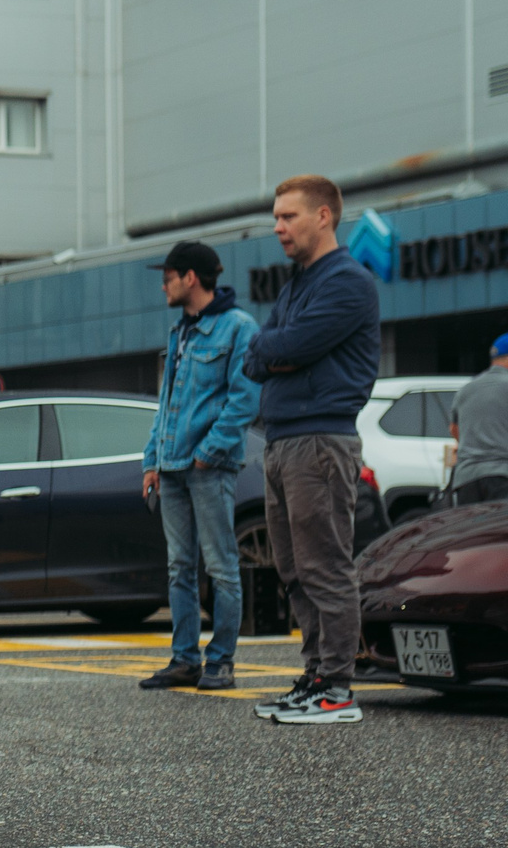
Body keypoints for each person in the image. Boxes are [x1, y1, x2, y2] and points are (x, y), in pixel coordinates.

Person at [244, 174, 381, 724]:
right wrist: (276, 351)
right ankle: (315, 674)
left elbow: (293, 344)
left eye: (288, 216)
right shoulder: (296, 285)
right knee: (293, 570)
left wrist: (278, 349)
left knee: (325, 565)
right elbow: (255, 357)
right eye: (276, 218)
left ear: (323, 216)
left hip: (320, 441)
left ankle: (337, 689)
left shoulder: (347, 281)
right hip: (283, 441)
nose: (278, 227)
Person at [137, 241, 260, 691]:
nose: (163, 286)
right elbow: (167, 402)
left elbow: (245, 399)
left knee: (222, 567)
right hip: (171, 467)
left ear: (191, 278)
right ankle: (184, 660)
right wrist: (152, 459)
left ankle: (221, 661)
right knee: (179, 567)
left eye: (168, 277)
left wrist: (209, 452)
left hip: (210, 468)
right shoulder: (180, 332)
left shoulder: (239, 328)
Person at [446, 335, 508, 505]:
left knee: (471, 524)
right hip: (502, 476)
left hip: (466, 479)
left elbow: (454, 429)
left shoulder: (466, 389)